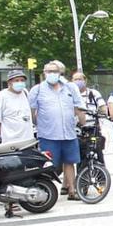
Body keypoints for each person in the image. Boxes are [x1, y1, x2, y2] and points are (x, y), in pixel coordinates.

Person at [29, 60, 85, 200]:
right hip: (48, 134)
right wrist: (36, 125)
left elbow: (78, 107)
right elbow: (32, 110)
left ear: (60, 73)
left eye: (54, 71)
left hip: (68, 133)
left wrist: (82, 123)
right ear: (44, 73)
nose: (52, 74)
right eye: (49, 71)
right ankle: (46, 191)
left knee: (70, 162)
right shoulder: (38, 89)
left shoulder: (70, 88)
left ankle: (72, 190)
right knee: (48, 165)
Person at [0, 69, 34, 144]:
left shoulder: (25, 93)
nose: (20, 82)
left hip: (27, 140)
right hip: (10, 142)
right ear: (9, 82)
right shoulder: (2, 96)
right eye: (16, 80)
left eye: (22, 80)